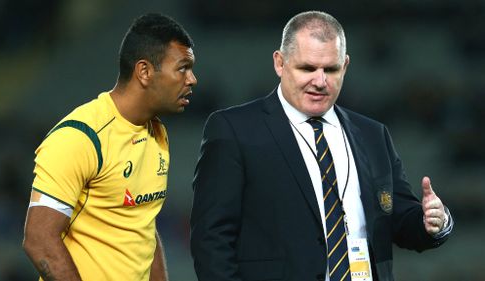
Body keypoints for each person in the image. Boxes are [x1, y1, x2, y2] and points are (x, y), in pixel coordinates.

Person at [190, 11, 452, 281]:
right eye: (307, 68)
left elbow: (398, 218)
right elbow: (211, 241)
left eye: (330, 69)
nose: (320, 81)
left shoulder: (373, 134)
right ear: (280, 63)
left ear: (345, 66)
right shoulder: (234, 130)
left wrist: (433, 222)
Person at [23, 12, 197, 281]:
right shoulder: (81, 136)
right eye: (183, 67)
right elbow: (39, 240)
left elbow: (143, 228)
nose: (192, 79)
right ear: (144, 71)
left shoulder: (157, 133)